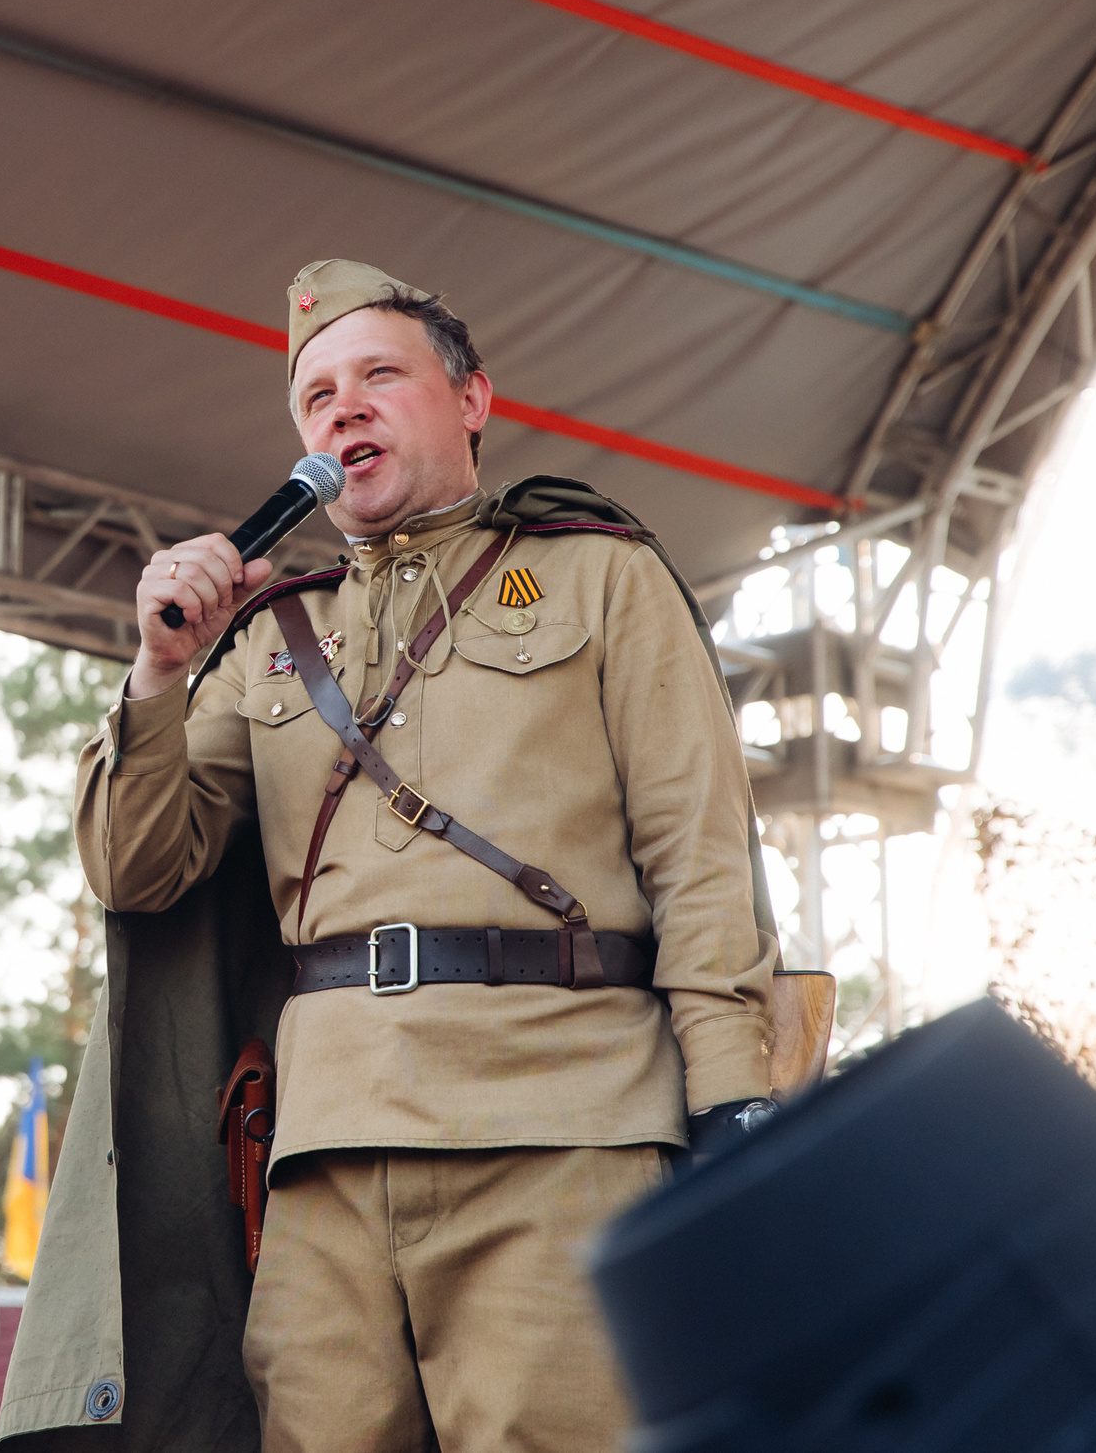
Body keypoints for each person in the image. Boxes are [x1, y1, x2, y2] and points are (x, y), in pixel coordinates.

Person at [71, 259, 779, 1452]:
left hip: (565, 1125)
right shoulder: (266, 636)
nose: (341, 407)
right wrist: (157, 673)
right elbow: (134, 868)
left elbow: (698, 851)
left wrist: (730, 1102)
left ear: (471, 399)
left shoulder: (598, 569)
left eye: (378, 375)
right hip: (325, 1153)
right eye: (315, 396)